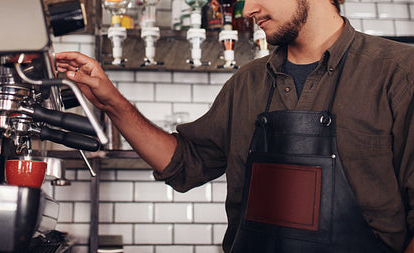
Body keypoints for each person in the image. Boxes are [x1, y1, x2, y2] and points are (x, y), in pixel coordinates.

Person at [55, 0, 414, 251]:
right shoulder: (247, 83)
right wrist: (111, 102)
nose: (247, 10)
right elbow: (185, 164)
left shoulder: (398, 72)